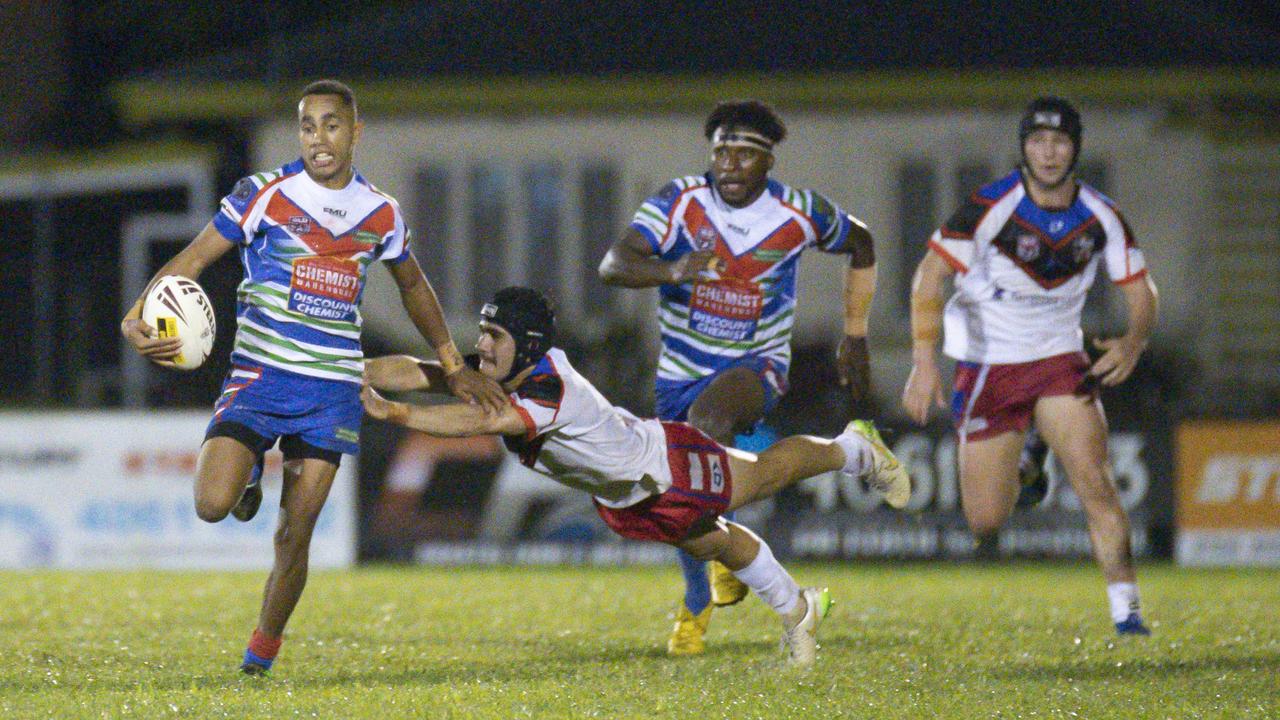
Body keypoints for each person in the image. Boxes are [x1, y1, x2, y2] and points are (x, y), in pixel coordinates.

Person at [120, 79, 505, 675]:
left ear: (355, 131)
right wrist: (139, 312)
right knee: (212, 504)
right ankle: (247, 472)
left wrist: (453, 364)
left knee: (293, 534)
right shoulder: (262, 194)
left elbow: (413, 286)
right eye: (307, 126)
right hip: (260, 375)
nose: (319, 138)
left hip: (330, 390)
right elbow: (192, 262)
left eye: (331, 125)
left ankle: (260, 655)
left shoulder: (381, 213)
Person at [361, 287, 912, 667]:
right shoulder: (503, 369)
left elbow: (485, 418)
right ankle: (799, 609)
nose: (480, 345)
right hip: (626, 495)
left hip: (666, 463)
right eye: (482, 332)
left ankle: (852, 448)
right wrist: (348, 370)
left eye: (493, 335)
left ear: (526, 344)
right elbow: (425, 369)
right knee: (711, 542)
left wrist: (399, 414)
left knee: (765, 476)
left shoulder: (549, 384)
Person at [598, 100, 880, 655]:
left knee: (707, 428)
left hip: (757, 366)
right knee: (675, 488)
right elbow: (613, 264)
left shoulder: (799, 212)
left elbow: (862, 241)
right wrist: (673, 268)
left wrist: (856, 333)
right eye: (722, 149)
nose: (729, 162)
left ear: (768, 162)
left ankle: (712, 577)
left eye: (745, 152)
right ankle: (705, 586)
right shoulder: (679, 201)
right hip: (679, 371)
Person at [901, 96, 1159, 635]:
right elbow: (929, 275)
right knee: (986, 520)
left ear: (1075, 149)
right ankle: (1030, 461)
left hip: (1060, 359)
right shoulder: (991, 205)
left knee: (1097, 484)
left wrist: (1133, 343)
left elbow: (1142, 291)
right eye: (1037, 141)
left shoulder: (1101, 214)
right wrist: (923, 364)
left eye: (1059, 141)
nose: (1048, 152)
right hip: (988, 364)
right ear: (1023, 148)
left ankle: (1128, 612)